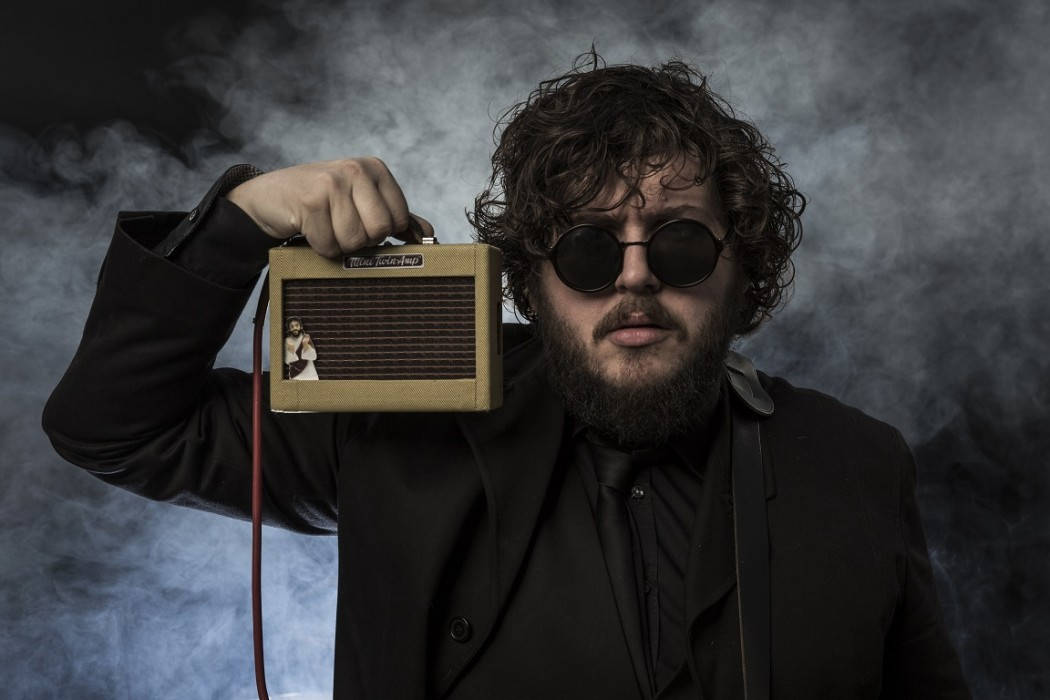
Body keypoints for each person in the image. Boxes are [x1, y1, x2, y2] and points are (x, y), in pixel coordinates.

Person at [42, 51, 971, 699]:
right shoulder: (399, 420)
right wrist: (239, 221)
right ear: (530, 281)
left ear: (743, 269)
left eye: (681, 243)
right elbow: (115, 425)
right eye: (588, 250)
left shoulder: (858, 463)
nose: (636, 277)